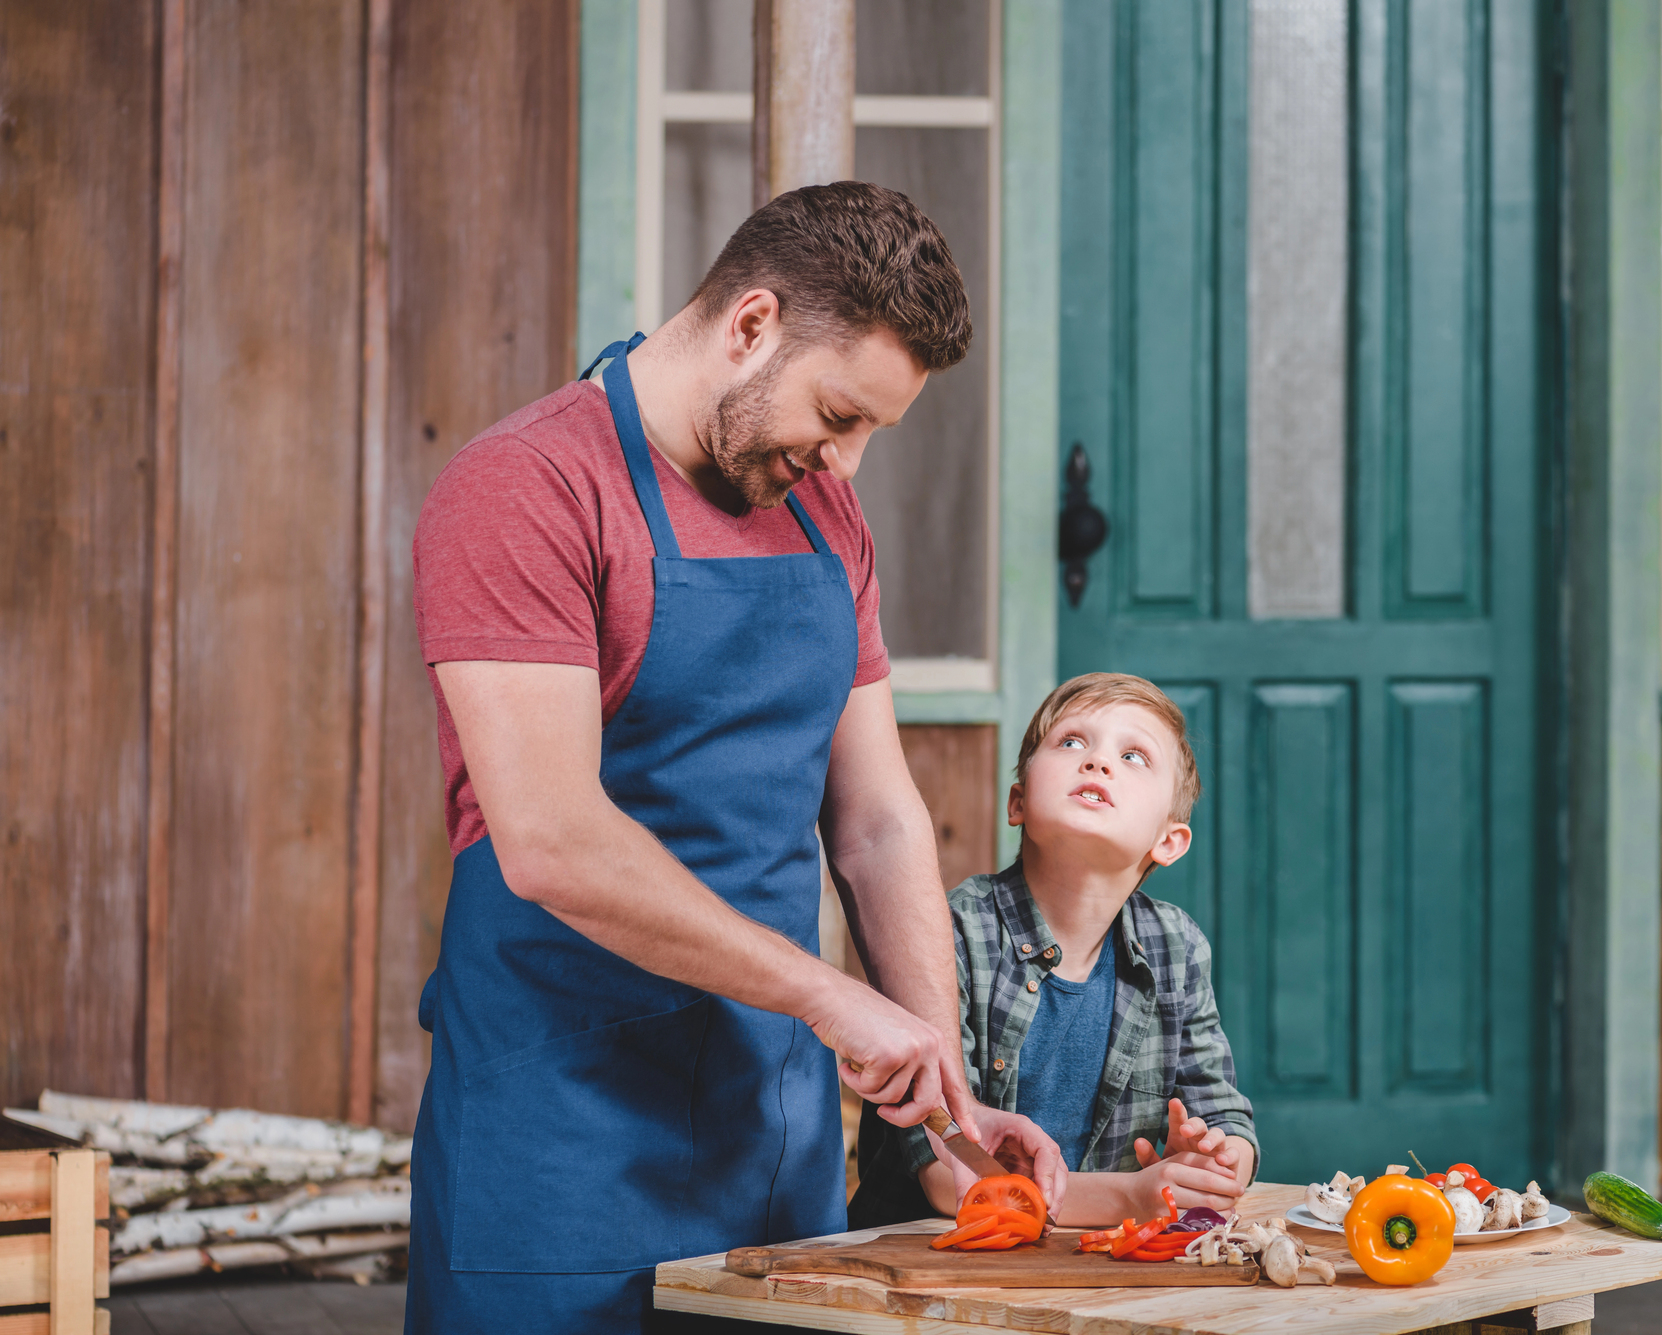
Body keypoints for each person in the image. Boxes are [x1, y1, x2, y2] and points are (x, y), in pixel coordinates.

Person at [404, 182, 1064, 1334]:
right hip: (557, 1138)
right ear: (749, 325)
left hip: (773, 1139)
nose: (848, 463)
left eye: (871, 432)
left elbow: (874, 822)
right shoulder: (527, 487)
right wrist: (827, 997)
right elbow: (553, 840)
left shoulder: (821, 514)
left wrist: (942, 1117)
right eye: (837, 414)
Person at [849, 673, 1257, 1228]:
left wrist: (1217, 1158)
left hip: (1091, 1275)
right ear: (1018, 801)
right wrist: (1130, 1197)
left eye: (1134, 756)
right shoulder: (948, 932)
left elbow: (1225, 1113)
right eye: (1071, 743)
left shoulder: (1177, 948)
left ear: (1169, 840)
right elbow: (948, 1176)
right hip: (927, 1270)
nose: (1097, 762)